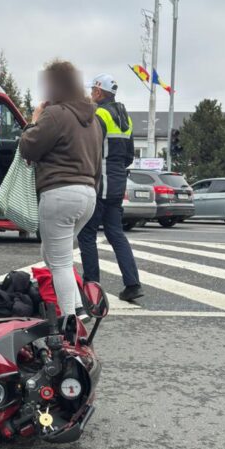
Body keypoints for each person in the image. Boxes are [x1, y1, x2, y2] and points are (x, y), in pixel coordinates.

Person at [20, 60, 102, 317]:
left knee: (60, 262)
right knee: (53, 253)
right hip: (88, 194)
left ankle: (71, 319)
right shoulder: (94, 121)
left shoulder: (56, 114)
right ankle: (77, 306)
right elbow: (99, 163)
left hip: (59, 193)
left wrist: (33, 121)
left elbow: (28, 147)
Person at [78, 74, 143, 302]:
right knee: (115, 233)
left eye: (91, 91)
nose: (89, 95)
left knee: (87, 234)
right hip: (117, 182)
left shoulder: (99, 114)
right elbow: (128, 156)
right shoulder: (125, 117)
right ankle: (132, 284)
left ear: (98, 92)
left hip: (101, 182)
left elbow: (90, 148)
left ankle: (92, 287)